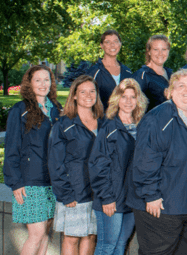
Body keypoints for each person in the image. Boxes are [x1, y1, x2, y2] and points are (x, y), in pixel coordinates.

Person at [130, 70, 187, 255]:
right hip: (162, 206)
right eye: (180, 86)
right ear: (170, 91)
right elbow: (145, 161)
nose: (186, 91)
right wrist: (151, 196)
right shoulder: (158, 118)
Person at [5, 65, 62, 255]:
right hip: (30, 182)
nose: (43, 84)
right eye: (38, 80)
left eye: (46, 79)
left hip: (52, 181)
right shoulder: (20, 110)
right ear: (29, 83)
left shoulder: (56, 109)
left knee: (46, 234)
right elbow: (12, 147)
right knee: (36, 234)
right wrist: (15, 182)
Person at [90, 78, 148, 255]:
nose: (129, 101)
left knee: (121, 245)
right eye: (124, 96)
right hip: (111, 199)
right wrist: (107, 198)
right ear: (117, 99)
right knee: (107, 246)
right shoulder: (109, 128)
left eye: (133, 97)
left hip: (132, 200)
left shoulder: (143, 127)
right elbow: (98, 165)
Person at [49, 75, 105, 255]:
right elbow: (55, 163)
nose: (88, 95)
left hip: (98, 193)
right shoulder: (64, 125)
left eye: (92, 91)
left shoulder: (104, 123)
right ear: (74, 95)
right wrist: (65, 193)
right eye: (83, 92)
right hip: (75, 192)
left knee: (90, 235)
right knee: (72, 237)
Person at [89, 29, 133, 108]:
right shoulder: (94, 72)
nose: (112, 45)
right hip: (102, 119)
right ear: (101, 45)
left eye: (116, 41)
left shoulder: (127, 72)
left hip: (124, 119)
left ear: (120, 44)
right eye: (107, 42)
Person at [134, 35, 172, 111]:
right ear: (149, 51)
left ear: (168, 51)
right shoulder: (142, 75)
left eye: (164, 49)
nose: (160, 53)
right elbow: (134, 107)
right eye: (156, 49)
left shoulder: (171, 74)